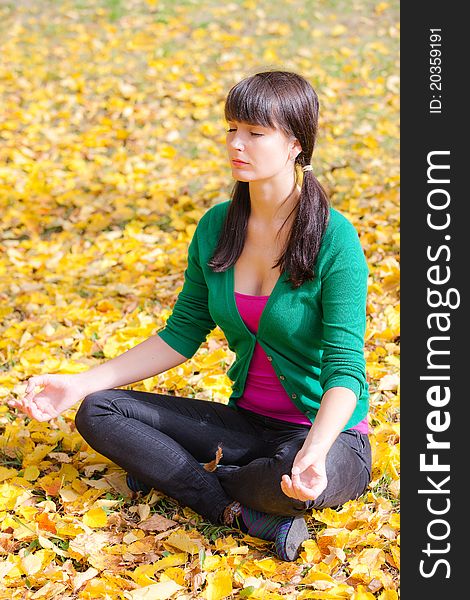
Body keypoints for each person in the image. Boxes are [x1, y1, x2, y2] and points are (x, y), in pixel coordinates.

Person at [11, 70, 371, 562]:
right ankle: (231, 506)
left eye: (255, 133)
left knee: (288, 477)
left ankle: (189, 474)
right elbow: (181, 334)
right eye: (231, 129)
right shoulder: (216, 227)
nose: (236, 144)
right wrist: (79, 383)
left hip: (328, 436)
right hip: (247, 425)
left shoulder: (336, 239)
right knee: (99, 409)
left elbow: (346, 369)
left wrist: (314, 452)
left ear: (295, 144)